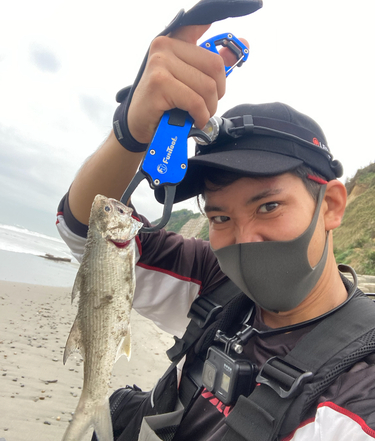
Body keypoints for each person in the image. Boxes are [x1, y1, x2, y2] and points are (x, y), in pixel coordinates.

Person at [57, 23, 375, 440]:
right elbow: (87, 233)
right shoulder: (217, 283)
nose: (244, 237)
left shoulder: (357, 397)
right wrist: (130, 133)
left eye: (268, 206)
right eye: (220, 217)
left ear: (331, 205)